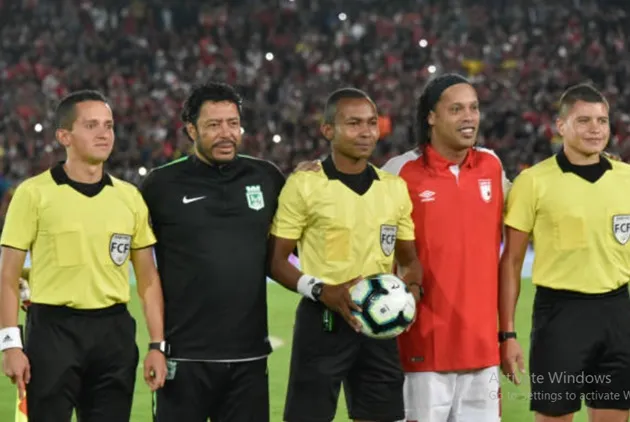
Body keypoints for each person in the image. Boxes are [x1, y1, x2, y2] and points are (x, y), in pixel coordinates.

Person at [0, 90, 166, 422]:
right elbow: (7, 277)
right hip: (53, 332)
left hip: (114, 332)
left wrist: (157, 346)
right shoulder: (33, 194)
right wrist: (10, 344)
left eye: (109, 125)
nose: (104, 133)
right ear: (64, 136)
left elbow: (148, 279)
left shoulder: (130, 197)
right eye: (91, 125)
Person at [269, 87, 424, 422]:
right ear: (328, 130)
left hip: (379, 325)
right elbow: (276, 259)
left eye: (371, 123)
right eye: (353, 123)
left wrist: (409, 294)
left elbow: (410, 262)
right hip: (322, 321)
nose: (366, 131)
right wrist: (322, 291)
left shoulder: (393, 188)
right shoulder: (305, 185)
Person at [141, 82, 286, 422]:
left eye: (233, 123)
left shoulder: (266, 178)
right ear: (191, 129)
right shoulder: (160, 186)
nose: (226, 133)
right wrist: (157, 346)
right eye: (214, 124)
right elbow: (143, 268)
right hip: (184, 358)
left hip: (249, 358)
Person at [381, 73, 510, 422]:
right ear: (431, 117)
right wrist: (318, 171)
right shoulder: (399, 172)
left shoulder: (492, 166)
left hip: (482, 350)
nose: (469, 117)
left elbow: (540, 206)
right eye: (456, 109)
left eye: (473, 108)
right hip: (421, 348)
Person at [500, 83, 630, 422]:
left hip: (617, 314)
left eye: (602, 121)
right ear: (561, 127)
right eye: (584, 120)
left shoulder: (627, 179)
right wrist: (508, 333)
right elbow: (511, 261)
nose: (595, 129)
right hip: (559, 317)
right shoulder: (534, 182)